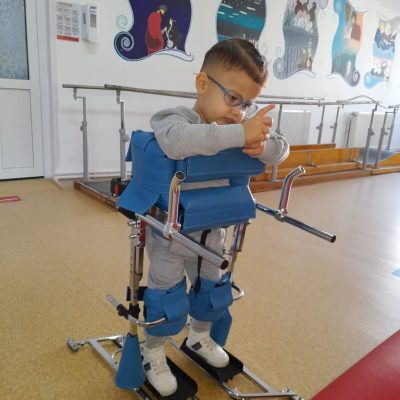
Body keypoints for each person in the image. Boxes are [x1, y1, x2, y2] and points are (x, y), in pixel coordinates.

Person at [141, 38, 289, 396]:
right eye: (233, 98)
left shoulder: (241, 130)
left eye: (247, 104)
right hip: (170, 236)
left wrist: (260, 143)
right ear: (202, 84)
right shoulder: (173, 119)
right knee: (167, 298)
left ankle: (199, 337)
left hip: (212, 235)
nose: (239, 112)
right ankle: (152, 351)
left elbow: (281, 149)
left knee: (213, 292)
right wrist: (238, 133)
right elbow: (177, 142)